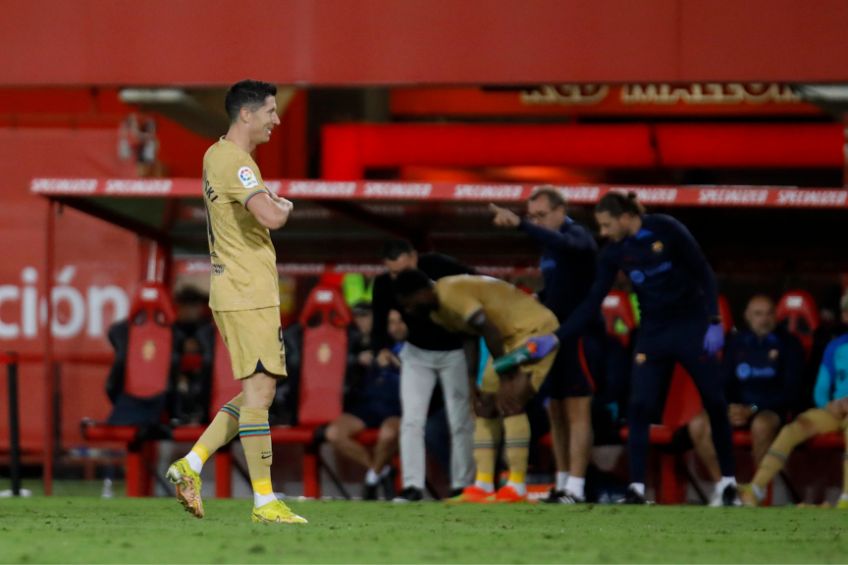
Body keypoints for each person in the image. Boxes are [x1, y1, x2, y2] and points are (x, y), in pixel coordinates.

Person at [166, 80, 306, 524]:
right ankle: (265, 501)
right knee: (261, 394)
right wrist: (283, 207)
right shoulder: (235, 161)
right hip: (247, 293)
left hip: (234, 290)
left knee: (253, 393)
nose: (276, 119)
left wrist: (271, 201)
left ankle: (190, 464)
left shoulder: (216, 156)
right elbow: (269, 216)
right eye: (269, 110)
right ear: (246, 114)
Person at [549, 191, 738, 505]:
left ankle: (729, 485)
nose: (604, 233)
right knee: (638, 405)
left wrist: (714, 320)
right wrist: (557, 336)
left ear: (625, 218)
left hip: (691, 325)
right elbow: (591, 302)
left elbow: (703, 269)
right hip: (653, 332)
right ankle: (636, 489)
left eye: (607, 225)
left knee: (715, 400)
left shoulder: (666, 228)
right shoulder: (613, 253)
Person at [393, 270, 559, 503]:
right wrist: (471, 381)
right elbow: (469, 336)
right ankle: (482, 484)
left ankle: (516, 486)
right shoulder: (438, 312)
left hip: (534, 331)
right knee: (485, 406)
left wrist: (505, 374)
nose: (409, 310)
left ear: (422, 292)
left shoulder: (450, 291)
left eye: (409, 304)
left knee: (511, 401)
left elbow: (487, 327)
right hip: (506, 338)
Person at [490, 186, 600, 503]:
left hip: (579, 335)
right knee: (555, 410)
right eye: (532, 216)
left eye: (541, 215)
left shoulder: (578, 236)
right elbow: (558, 291)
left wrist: (522, 225)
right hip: (552, 337)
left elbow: (568, 245)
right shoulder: (548, 249)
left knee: (577, 410)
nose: (537, 222)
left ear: (560, 210)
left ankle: (577, 487)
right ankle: (562, 483)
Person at [371, 240, 475, 501]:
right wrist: (381, 348)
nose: (401, 278)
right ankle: (412, 486)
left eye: (404, 269)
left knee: (459, 418)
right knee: (412, 420)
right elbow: (378, 321)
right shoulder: (384, 284)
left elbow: (476, 282)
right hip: (416, 352)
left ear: (415, 257)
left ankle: (463, 484)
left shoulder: (439, 266)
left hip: (453, 351)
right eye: (394, 272)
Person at [687, 295, 804, 505]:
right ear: (747, 317)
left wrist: (754, 408)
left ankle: (756, 492)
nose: (764, 319)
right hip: (739, 408)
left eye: (769, 313)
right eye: (758, 314)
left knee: (761, 425)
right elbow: (723, 382)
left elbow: (793, 391)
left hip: (770, 409)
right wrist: (729, 408)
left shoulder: (789, 344)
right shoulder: (736, 343)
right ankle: (726, 489)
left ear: (776, 316)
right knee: (697, 424)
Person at [740, 293, 848, 509]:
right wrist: (829, 405)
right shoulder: (835, 347)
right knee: (793, 429)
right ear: (845, 316)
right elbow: (821, 389)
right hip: (835, 410)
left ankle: (846, 499)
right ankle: (756, 488)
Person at [326, 308, 406, 500]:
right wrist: (358, 360)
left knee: (389, 434)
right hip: (366, 406)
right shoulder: (370, 343)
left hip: (396, 408)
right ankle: (380, 471)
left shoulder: (415, 347)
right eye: (390, 322)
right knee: (334, 433)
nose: (393, 327)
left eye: (398, 321)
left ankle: (371, 479)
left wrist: (396, 363)